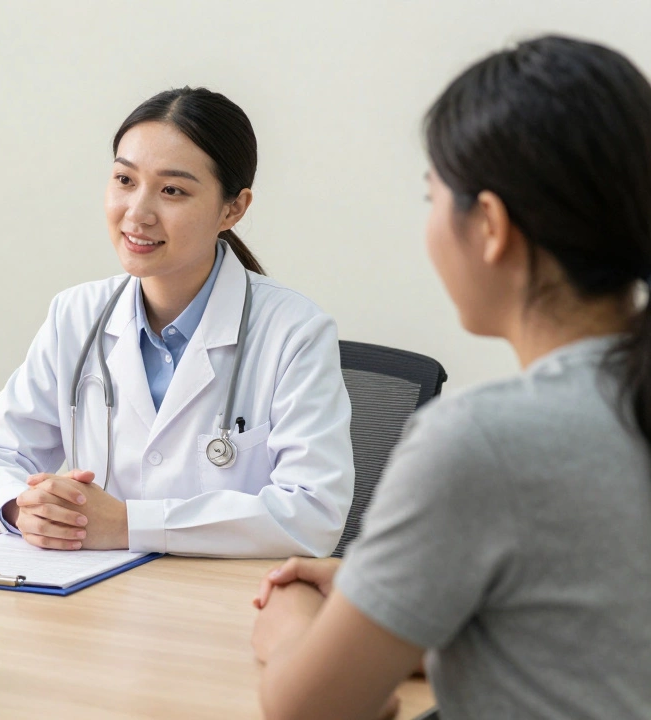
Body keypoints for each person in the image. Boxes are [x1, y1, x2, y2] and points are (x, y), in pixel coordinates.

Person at [250, 35, 651, 720]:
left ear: (490, 226)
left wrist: (291, 620)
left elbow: (308, 708)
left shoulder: (480, 440)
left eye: (433, 195)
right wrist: (396, 589)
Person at [0, 87, 354, 557]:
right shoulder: (76, 316)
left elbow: (312, 513)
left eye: (172, 190)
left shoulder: (294, 332)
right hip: (93, 600)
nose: (137, 213)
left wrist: (128, 525)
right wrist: (26, 508)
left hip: (223, 610)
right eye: (125, 180)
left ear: (233, 208)